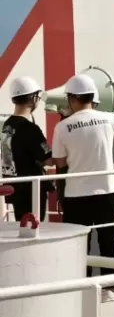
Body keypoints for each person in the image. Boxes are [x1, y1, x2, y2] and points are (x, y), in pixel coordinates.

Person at [50, 73, 114, 302]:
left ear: (72, 98)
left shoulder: (63, 127)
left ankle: (84, 291)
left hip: (75, 195)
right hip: (105, 192)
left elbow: (60, 163)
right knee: (109, 240)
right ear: (93, 97)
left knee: (80, 244)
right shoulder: (108, 119)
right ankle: (112, 290)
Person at [2, 76, 54, 221]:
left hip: (15, 186)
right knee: (35, 227)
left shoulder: (7, 125)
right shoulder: (30, 129)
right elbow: (49, 160)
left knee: (21, 226)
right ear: (33, 98)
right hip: (32, 189)